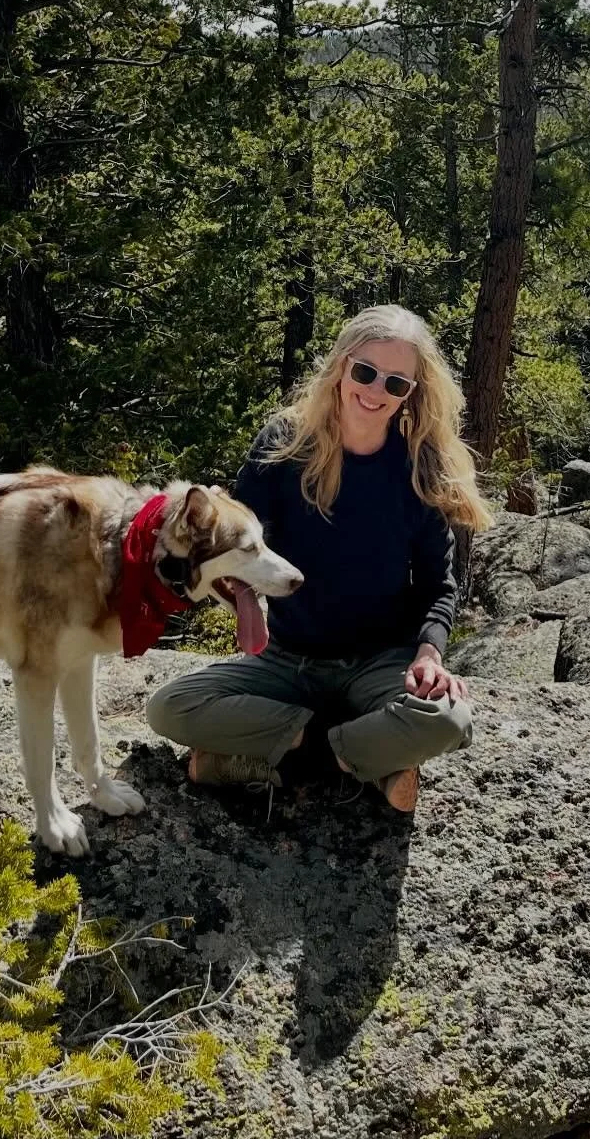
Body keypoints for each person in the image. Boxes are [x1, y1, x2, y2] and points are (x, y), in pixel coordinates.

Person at [146, 304, 491, 813]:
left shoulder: (422, 468)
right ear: (342, 365)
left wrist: (429, 655)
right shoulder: (284, 446)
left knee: (448, 719)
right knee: (168, 708)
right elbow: (242, 549)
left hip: (381, 666)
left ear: (412, 394)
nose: (375, 391)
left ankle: (270, 757)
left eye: (396, 383)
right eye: (367, 372)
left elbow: (438, 585)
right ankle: (365, 760)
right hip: (288, 662)